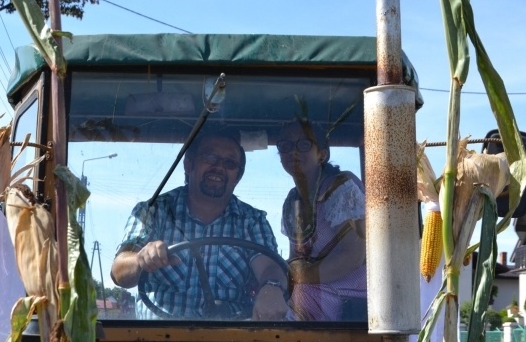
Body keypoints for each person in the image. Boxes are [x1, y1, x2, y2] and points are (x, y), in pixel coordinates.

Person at [110, 127, 288, 320]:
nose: (219, 167)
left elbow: (270, 268)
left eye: (229, 163)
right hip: (157, 334)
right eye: (210, 158)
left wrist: (272, 287)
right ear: (189, 165)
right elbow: (119, 271)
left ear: (238, 176)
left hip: (231, 335)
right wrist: (141, 259)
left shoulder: (252, 221)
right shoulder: (154, 211)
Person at [277, 119, 367, 321]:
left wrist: (299, 278)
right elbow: (296, 258)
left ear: (322, 154)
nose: (293, 152)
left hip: (351, 302)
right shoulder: (292, 200)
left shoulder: (340, 188)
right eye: (285, 146)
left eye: (304, 144)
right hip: (309, 294)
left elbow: (354, 255)